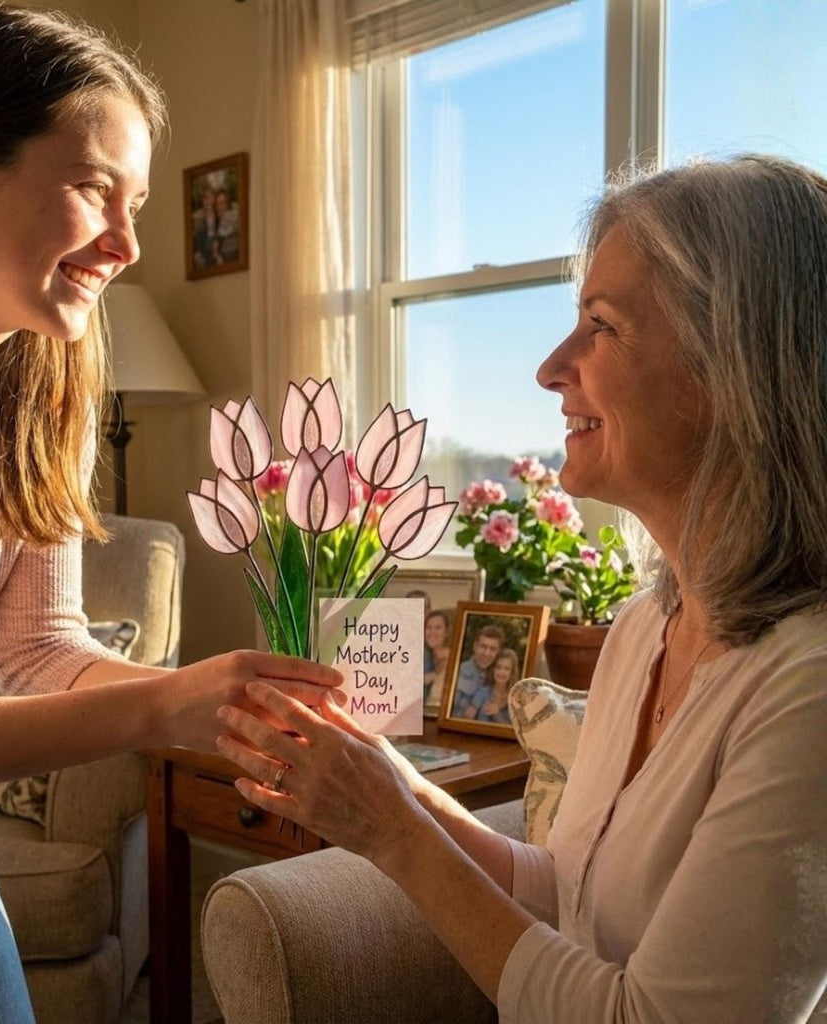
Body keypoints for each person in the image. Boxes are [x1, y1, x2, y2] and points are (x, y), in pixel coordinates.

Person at [0, 9, 340, 1023]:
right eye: (96, 189)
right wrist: (164, 705)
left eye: (134, 201)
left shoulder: (47, 380)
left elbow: (42, 649)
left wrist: (231, 707)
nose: (127, 245)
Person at [214, 154, 827, 1020]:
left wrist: (394, 833)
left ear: (737, 361)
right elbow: (570, 893)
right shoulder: (648, 626)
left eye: (601, 326)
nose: (550, 367)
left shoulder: (807, 689)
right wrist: (394, 784)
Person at [451, 624, 503, 716]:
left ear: (498, 652)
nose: (487, 653)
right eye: (483, 647)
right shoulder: (457, 672)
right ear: (475, 646)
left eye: (493, 649)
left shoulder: (499, 678)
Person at [467, 647, 518, 723]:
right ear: (493, 669)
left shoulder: (516, 698)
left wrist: (497, 714)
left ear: (512, 673)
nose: (501, 672)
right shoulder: (482, 692)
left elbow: (513, 730)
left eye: (506, 669)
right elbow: (467, 718)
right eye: (498, 667)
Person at [422, 609, 450, 708]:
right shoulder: (427, 657)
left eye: (438, 627)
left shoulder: (450, 659)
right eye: (429, 627)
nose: (432, 632)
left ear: (446, 632)